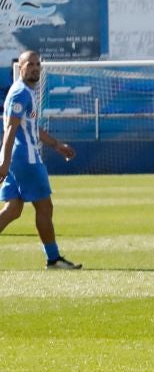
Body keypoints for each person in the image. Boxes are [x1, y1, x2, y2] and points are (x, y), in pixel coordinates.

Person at [0, 50, 82, 269]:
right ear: (21, 66)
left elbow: (33, 127)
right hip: (26, 159)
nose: (36, 68)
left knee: (13, 210)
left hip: (22, 158)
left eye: (38, 64)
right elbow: (10, 130)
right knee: (45, 208)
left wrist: (56, 145)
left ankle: (53, 258)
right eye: (31, 64)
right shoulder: (21, 94)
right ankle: (53, 259)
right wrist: (4, 162)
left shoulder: (27, 92)